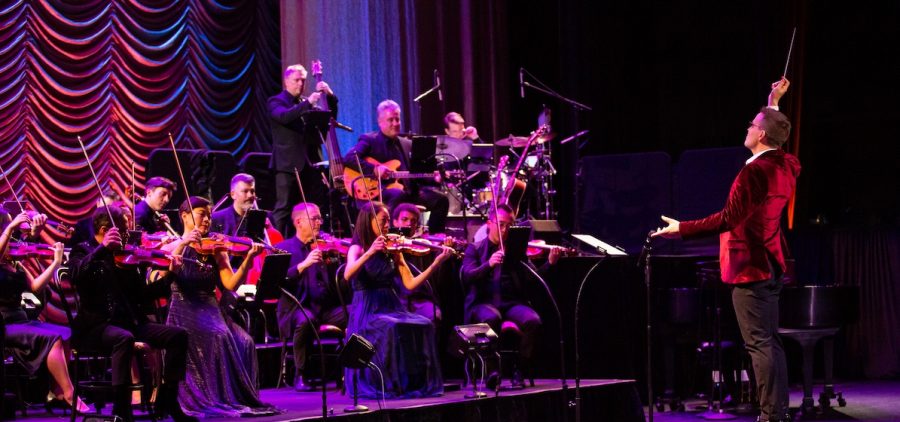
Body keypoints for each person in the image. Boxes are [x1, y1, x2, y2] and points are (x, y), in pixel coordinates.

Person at [652, 78, 799, 422]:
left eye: (753, 124)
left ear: (761, 135)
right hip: (771, 262)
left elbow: (728, 218)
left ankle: (770, 415)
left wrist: (681, 228)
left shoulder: (753, 174)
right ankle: (776, 411)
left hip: (751, 266)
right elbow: (778, 138)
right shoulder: (786, 165)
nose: (748, 127)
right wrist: (773, 103)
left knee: (759, 344)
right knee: (769, 342)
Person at [67, 206, 195, 422]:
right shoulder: (83, 250)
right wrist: (102, 250)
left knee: (178, 335)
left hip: (130, 323)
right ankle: (121, 409)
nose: (129, 236)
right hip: (95, 327)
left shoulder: (126, 257)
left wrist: (171, 275)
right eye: (125, 231)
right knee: (123, 338)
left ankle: (169, 400)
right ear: (107, 230)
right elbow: (75, 276)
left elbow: (143, 295)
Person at [160, 197, 278, 418]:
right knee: (219, 335)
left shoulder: (215, 248)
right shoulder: (172, 245)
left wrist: (248, 261)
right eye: (201, 214)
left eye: (209, 215)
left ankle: (237, 396)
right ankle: (214, 396)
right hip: (185, 308)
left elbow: (231, 284)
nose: (207, 219)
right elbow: (167, 267)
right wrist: (185, 242)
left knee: (245, 341)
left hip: (212, 308)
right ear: (184, 216)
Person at [342, 202, 452, 399]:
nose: (387, 226)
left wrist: (436, 263)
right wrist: (370, 252)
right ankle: (391, 383)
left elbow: (410, 284)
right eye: (383, 221)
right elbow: (348, 274)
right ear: (369, 221)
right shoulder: (357, 248)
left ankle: (413, 382)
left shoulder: (392, 248)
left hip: (390, 305)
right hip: (368, 309)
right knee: (392, 328)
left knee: (424, 323)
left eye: (386, 221)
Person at [460, 203, 561, 386]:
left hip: (511, 303)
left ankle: (518, 369)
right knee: (492, 317)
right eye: (501, 224)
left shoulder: (516, 250)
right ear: (490, 224)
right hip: (483, 303)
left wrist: (550, 263)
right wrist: (488, 265)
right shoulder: (474, 249)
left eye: (509, 225)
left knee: (533, 321)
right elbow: (467, 276)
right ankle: (492, 371)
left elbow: (533, 279)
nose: (505, 230)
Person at [0, 213, 89, 412]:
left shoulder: (15, 262)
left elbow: (34, 288)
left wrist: (56, 263)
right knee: (54, 338)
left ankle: (55, 391)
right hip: (5, 323)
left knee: (65, 333)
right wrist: (12, 226)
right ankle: (69, 393)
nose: (14, 239)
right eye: (9, 232)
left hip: (22, 320)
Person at [343, 100, 450, 233]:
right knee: (397, 194)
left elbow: (417, 175)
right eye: (390, 120)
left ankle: (435, 238)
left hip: (408, 192)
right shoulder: (369, 140)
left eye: (397, 119)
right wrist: (374, 169)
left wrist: (434, 178)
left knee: (441, 200)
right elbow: (349, 159)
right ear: (380, 121)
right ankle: (391, 236)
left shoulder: (407, 144)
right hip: (380, 192)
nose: (395, 123)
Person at [274, 203, 347, 391]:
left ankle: (352, 369)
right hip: (295, 309)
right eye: (314, 218)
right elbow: (277, 280)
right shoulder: (282, 248)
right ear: (299, 221)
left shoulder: (324, 247)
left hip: (325, 308)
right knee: (306, 320)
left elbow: (336, 284)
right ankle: (301, 374)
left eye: (320, 218)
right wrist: (304, 264)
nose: (319, 222)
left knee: (356, 312)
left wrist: (336, 263)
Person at [269, 64, 338, 238]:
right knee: (283, 208)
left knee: (312, 206)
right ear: (286, 81)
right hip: (287, 165)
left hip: (310, 164)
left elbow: (329, 118)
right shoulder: (276, 101)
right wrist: (308, 103)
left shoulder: (306, 103)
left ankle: (309, 240)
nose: (300, 84)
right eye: (296, 80)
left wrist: (329, 96)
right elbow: (284, 117)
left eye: (303, 80)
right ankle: (277, 245)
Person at [390, 203, 442, 323]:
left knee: (434, 315)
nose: (409, 224)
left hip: (419, 299)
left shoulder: (421, 246)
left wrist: (441, 253)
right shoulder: (387, 246)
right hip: (395, 299)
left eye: (413, 221)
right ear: (395, 222)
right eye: (404, 219)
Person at [211, 173, 258, 238]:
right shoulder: (216, 218)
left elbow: (275, 245)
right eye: (245, 191)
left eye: (252, 191)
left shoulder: (265, 218)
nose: (250, 195)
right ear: (233, 194)